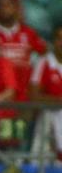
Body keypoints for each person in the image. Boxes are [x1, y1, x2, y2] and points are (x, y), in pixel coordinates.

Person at [0, 0, 46, 103]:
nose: (4, 9)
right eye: (1, 5)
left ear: (16, 8)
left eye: (8, 5)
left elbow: (46, 55)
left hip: (25, 99)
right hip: (1, 99)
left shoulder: (29, 33)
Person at [29, 24, 62, 160]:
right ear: (53, 41)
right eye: (59, 38)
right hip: (48, 120)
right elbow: (33, 96)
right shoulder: (43, 63)